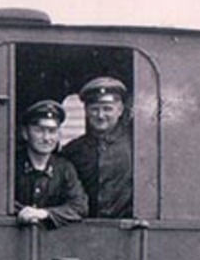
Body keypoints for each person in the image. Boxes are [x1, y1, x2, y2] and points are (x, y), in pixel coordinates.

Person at [62, 76, 133, 219]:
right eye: (95, 109)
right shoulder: (72, 151)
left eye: (107, 109)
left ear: (120, 110)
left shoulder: (137, 146)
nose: (101, 116)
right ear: (86, 111)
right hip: (84, 231)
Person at [14, 99, 87, 227]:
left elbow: (79, 206)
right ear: (25, 133)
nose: (47, 138)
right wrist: (21, 211)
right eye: (39, 130)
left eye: (52, 131)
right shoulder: (12, 165)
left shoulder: (64, 168)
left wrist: (45, 214)